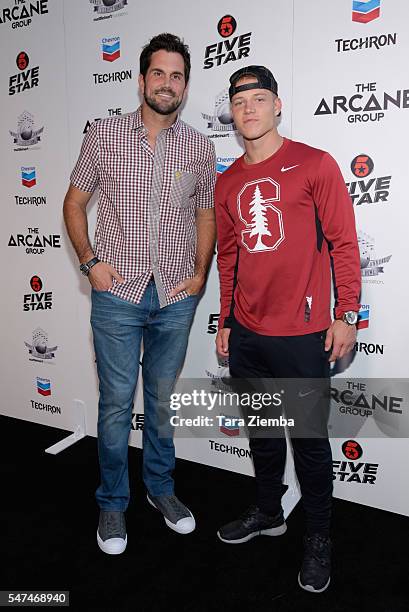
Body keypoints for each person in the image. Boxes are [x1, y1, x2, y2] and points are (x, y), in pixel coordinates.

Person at [63, 33, 216, 555]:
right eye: (158, 73)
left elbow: (206, 214)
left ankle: (161, 490)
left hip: (175, 295)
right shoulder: (104, 135)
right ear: (142, 78)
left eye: (177, 76)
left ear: (186, 86)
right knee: (114, 405)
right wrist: (90, 263)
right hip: (118, 294)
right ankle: (112, 502)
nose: (167, 83)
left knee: (162, 401)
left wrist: (199, 274)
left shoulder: (199, 145)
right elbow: (73, 202)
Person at [215, 65, 361, 593]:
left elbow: (344, 244)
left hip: (302, 336)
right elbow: (228, 256)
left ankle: (318, 537)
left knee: (310, 444)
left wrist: (347, 315)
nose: (249, 108)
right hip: (249, 336)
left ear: (277, 105)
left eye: (259, 98)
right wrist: (228, 318)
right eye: (240, 101)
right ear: (231, 113)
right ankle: (269, 511)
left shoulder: (314, 165)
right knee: (262, 435)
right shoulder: (227, 181)